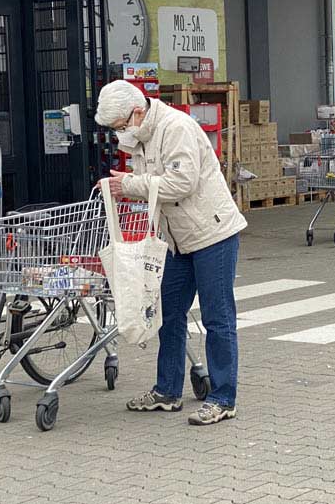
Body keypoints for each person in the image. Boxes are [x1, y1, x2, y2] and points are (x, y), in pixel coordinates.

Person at [95, 80, 247, 426]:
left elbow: (182, 183)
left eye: (120, 127)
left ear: (136, 113)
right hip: (178, 239)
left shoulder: (175, 126)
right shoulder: (143, 135)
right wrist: (130, 183)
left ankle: (223, 398)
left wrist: (129, 185)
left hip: (212, 233)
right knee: (168, 313)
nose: (121, 135)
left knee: (217, 318)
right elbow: (150, 181)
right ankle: (167, 390)